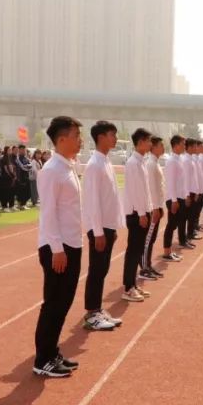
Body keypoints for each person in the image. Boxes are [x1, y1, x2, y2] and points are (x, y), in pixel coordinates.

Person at [33, 116, 85, 378]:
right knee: (53, 303)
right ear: (62, 139)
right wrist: (57, 249)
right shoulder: (52, 170)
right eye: (76, 136)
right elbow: (49, 213)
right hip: (58, 247)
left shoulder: (68, 166)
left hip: (71, 243)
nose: (80, 140)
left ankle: (52, 352)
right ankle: (43, 359)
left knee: (63, 303)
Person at [81, 120, 125, 331]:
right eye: (112, 134)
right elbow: (92, 201)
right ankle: (92, 313)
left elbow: (112, 197)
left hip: (107, 225)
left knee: (103, 269)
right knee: (97, 270)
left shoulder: (105, 161)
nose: (115, 138)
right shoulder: (94, 165)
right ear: (100, 137)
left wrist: (113, 226)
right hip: (99, 228)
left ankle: (97, 309)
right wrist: (98, 231)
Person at [122, 128, 153, 303]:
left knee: (137, 250)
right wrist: (142, 213)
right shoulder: (133, 163)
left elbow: (145, 190)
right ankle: (128, 288)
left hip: (142, 211)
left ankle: (132, 284)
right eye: (148, 141)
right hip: (136, 213)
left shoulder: (141, 161)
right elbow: (135, 191)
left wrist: (148, 210)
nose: (150, 144)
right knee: (133, 251)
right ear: (140, 142)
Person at [140, 136, 166, 281]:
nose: (163, 147)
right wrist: (155, 208)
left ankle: (148, 265)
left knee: (152, 238)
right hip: (153, 207)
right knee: (148, 239)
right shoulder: (150, 164)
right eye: (161, 145)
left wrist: (160, 207)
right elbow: (151, 189)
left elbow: (159, 187)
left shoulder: (155, 163)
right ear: (154, 147)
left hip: (157, 206)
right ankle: (144, 268)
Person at [162, 135, 189, 262]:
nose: (185, 146)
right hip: (174, 199)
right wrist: (174, 200)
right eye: (183, 144)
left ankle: (169, 251)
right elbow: (170, 182)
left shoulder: (179, 159)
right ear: (176, 145)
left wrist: (185, 195)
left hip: (179, 197)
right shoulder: (171, 161)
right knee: (171, 225)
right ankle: (166, 252)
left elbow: (182, 181)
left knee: (174, 224)